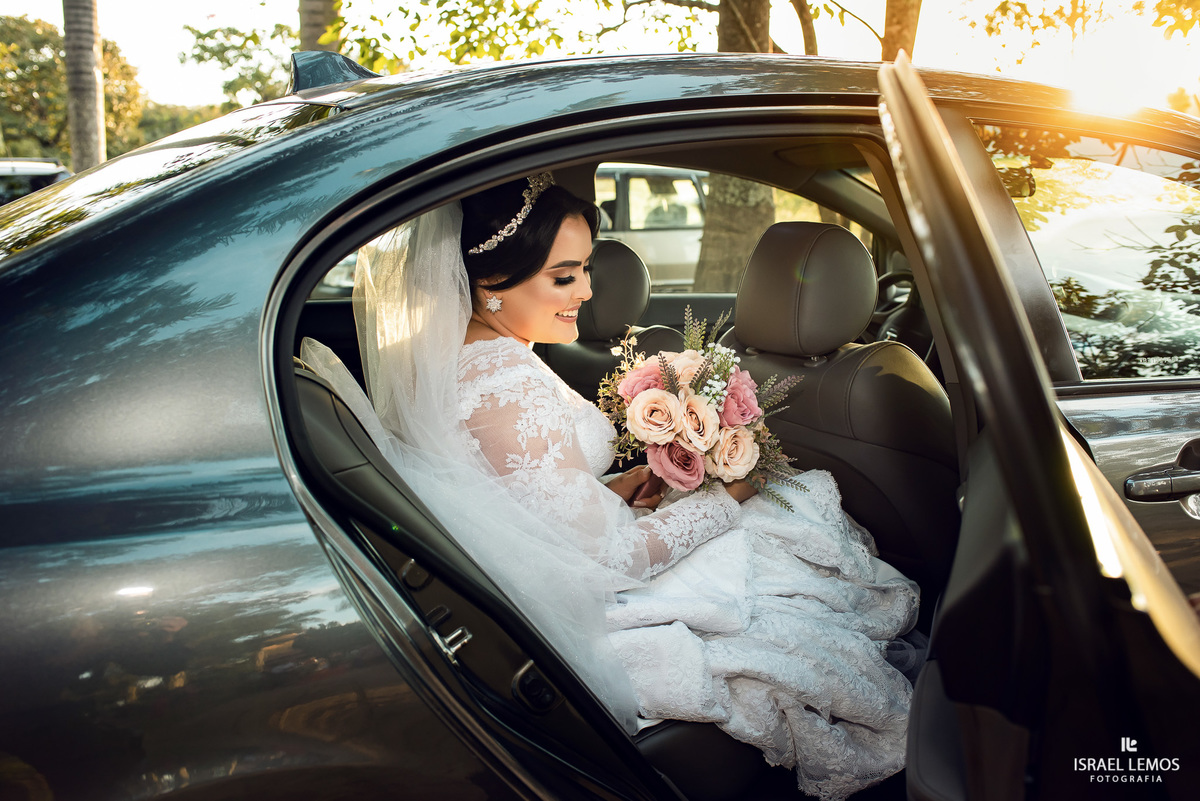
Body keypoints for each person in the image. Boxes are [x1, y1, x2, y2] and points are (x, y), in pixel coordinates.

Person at [302, 173, 921, 801]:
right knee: (799, 534)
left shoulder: (470, 358)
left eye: (586, 270)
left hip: (548, 558)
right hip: (586, 600)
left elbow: (503, 489)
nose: (589, 291)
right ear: (490, 284)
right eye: (565, 277)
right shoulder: (504, 386)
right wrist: (723, 502)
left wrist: (615, 486)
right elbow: (618, 558)